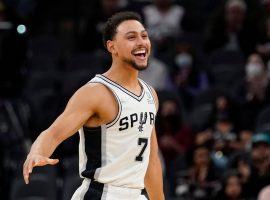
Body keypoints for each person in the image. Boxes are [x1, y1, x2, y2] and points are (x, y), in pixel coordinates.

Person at [22, 11, 164, 200]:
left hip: (137, 195)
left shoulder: (150, 94)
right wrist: (37, 152)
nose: (141, 42)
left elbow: (151, 162)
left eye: (144, 36)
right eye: (131, 37)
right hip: (101, 194)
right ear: (111, 47)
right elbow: (53, 132)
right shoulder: (96, 92)